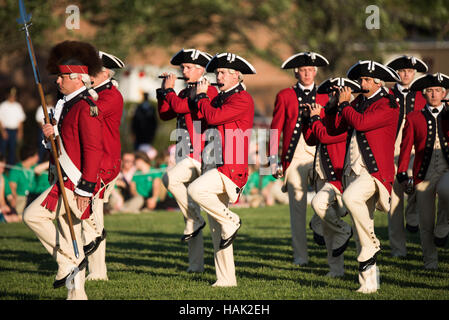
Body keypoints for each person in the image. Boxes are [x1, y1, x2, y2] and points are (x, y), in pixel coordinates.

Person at [23, 40, 104, 300]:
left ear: (78, 79)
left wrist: (86, 188)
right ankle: (76, 294)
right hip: (63, 179)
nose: (58, 81)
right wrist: (50, 135)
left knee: (32, 216)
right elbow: (62, 144)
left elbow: (92, 150)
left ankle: (68, 263)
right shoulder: (66, 104)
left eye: (63, 77)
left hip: (74, 183)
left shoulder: (84, 106)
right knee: (70, 240)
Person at [187, 52, 256, 287]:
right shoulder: (220, 98)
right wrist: (196, 96)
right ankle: (226, 279)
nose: (219, 75)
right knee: (217, 229)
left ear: (237, 75)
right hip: (216, 163)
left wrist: (204, 96)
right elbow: (201, 119)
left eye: (224, 72)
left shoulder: (242, 98)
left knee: (196, 191)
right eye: (217, 72)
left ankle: (232, 219)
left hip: (231, 166)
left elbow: (214, 117)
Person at [333, 60, 400, 293]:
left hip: (374, 173)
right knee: (363, 223)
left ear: (378, 82)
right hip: (353, 170)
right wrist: (336, 105)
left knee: (351, 198)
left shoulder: (389, 104)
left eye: (366, 80)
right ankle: (369, 284)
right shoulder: (359, 101)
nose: (361, 83)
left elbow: (361, 123)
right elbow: (339, 128)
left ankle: (373, 243)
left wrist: (345, 104)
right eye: (361, 79)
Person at [157, 48, 218, 273]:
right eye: (183, 67)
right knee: (191, 216)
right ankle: (195, 266)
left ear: (202, 69)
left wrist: (170, 91)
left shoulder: (208, 91)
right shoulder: (182, 93)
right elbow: (165, 113)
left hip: (205, 156)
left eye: (189, 67)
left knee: (213, 218)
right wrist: (164, 92)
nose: (184, 70)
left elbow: (181, 107)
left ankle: (222, 267)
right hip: (187, 155)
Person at [269, 51, 329, 266]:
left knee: (330, 198)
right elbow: (275, 128)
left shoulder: (325, 95)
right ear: (296, 72)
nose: (307, 73)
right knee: (296, 208)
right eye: (303, 70)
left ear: (316, 71)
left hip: (320, 154)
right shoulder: (284, 95)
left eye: (311, 70)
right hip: (294, 155)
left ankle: (318, 224)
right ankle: (300, 257)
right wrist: (273, 159)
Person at [305, 77, 360, 277]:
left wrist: (315, 118)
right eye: (330, 92)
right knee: (328, 227)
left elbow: (326, 137)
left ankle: (366, 270)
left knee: (355, 226)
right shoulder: (327, 113)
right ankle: (336, 270)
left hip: (340, 177)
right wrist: (307, 119)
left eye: (336, 92)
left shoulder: (347, 115)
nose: (331, 96)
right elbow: (311, 139)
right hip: (323, 174)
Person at [397, 72, 449, 270]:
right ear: (424, 94)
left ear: (444, 93)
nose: (434, 95)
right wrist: (402, 174)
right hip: (423, 175)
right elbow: (405, 148)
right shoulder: (413, 118)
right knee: (426, 222)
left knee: (447, 191)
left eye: (438, 91)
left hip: (447, 171)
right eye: (430, 91)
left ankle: (445, 223)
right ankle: (430, 261)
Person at [81, 50, 125, 281]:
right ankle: (93, 269)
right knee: (90, 214)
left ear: (106, 73)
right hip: (94, 161)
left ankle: (98, 272)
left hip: (104, 162)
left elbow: (91, 114)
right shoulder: (94, 93)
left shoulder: (111, 95)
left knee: (93, 215)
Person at [385, 55, 429, 257]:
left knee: (415, 184)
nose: (406, 75)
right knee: (394, 202)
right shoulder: (386, 95)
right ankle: (398, 249)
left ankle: (412, 215)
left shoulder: (422, 95)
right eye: (402, 71)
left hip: (414, 151)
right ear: (396, 73)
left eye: (410, 71)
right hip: (389, 151)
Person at [7, 145, 39, 215]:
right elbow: (12, 186)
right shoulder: (16, 169)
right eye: (36, 155)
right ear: (30, 157)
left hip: (34, 196)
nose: (38, 158)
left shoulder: (35, 167)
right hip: (21, 197)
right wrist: (14, 198)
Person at [0, 87, 26, 166]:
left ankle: (11, 168)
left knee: (13, 150)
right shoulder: (3, 105)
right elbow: (0, 120)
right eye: (11, 95)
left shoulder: (18, 106)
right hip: (5, 130)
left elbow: (20, 120)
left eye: (14, 96)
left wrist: (20, 132)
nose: (12, 97)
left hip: (14, 131)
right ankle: (2, 166)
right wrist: (3, 132)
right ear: (8, 96)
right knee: (3, 150)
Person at [0, 153, 20, 223]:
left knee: (16, 217)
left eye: (3, 167)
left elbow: (9, 196)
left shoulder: (3, 178)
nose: (2, 170)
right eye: (1, 167)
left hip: (2, 209)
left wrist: (12, 202)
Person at [35, 94, 55, 163]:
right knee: (41, 148)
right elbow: (39, 120)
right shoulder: (41, 108)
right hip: (43, 131)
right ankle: (39, 162)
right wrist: (45, 130)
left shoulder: (53, 108)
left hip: (52, 131)